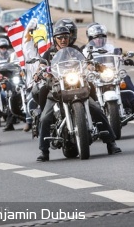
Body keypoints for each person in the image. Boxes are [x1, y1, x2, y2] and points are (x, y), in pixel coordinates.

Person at [36, 25, 121, 162]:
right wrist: (40, 72)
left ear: (70, 38)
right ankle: (44, 151)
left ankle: (111, 143)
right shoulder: (49, 53)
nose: (63, 40)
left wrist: (95, 67)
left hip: (77, 87)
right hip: (57, 90)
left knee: (97, 110)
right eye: (60, 38)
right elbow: (41, 66)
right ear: (55, 39)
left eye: (66, 37)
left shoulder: (75, 50)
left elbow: (86, 62)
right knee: (45, 118)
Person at [82, 23, 134, 114]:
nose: (99, 40)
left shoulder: (110, 47)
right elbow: (84, 62)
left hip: (110, 73)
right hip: (96, 76)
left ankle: (133, 104)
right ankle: (89, 111)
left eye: (102, 37)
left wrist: (125, 59)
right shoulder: (86, 51)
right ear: (91, 39)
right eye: (96, 38)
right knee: (86, 87)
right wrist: (89, 66)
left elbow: (118, 56)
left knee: (124, 78)